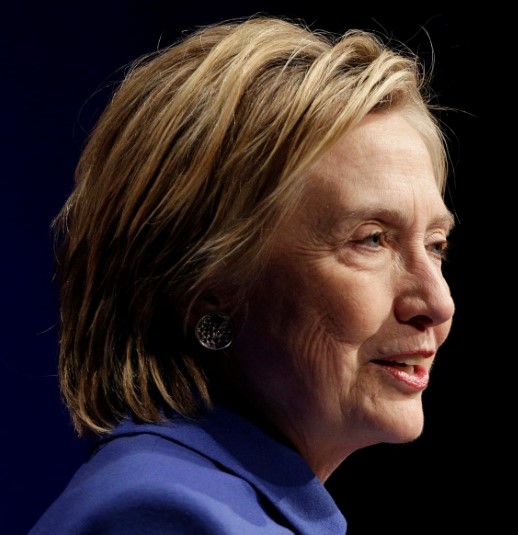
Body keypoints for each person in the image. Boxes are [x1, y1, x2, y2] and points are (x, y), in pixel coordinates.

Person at [30, 14, 456, 534]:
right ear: (209, 287)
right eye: (371, 239)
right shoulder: (165, 517)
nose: (437, 303)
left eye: (436, 245)